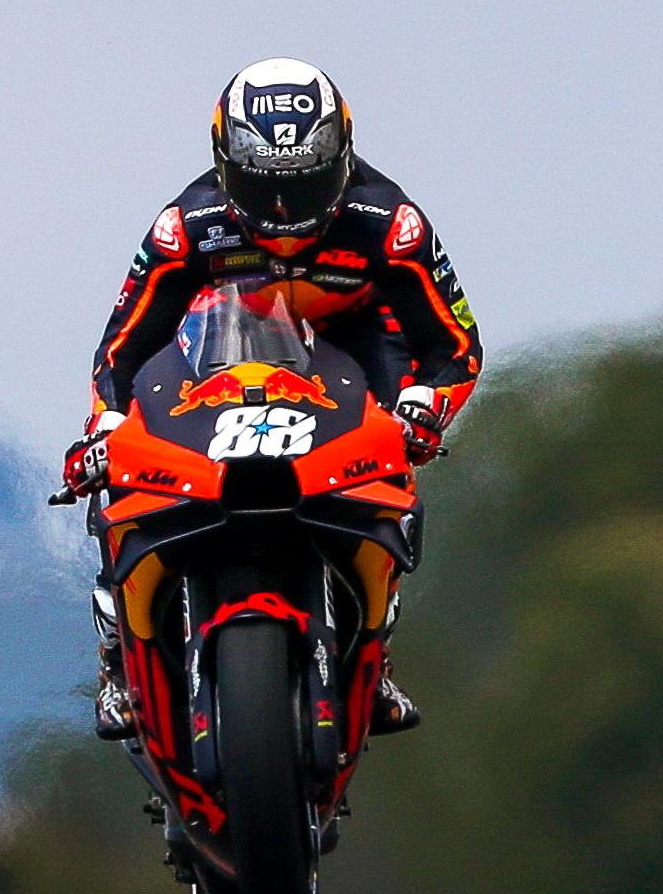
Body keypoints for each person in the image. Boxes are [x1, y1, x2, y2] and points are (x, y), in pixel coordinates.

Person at [65, 57, 482, 737]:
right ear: (225, 165)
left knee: (392, 469)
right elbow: (123, 348)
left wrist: (424, 410)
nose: (285, 217)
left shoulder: (391, 223)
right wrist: (105, 426)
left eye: (305, 187)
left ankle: (376, 643)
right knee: (120, 462)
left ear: (342, 158)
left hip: (357, 344)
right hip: (224, 346)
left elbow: (455, 344)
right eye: (264, 189)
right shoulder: (185, 227)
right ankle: (118, 650)